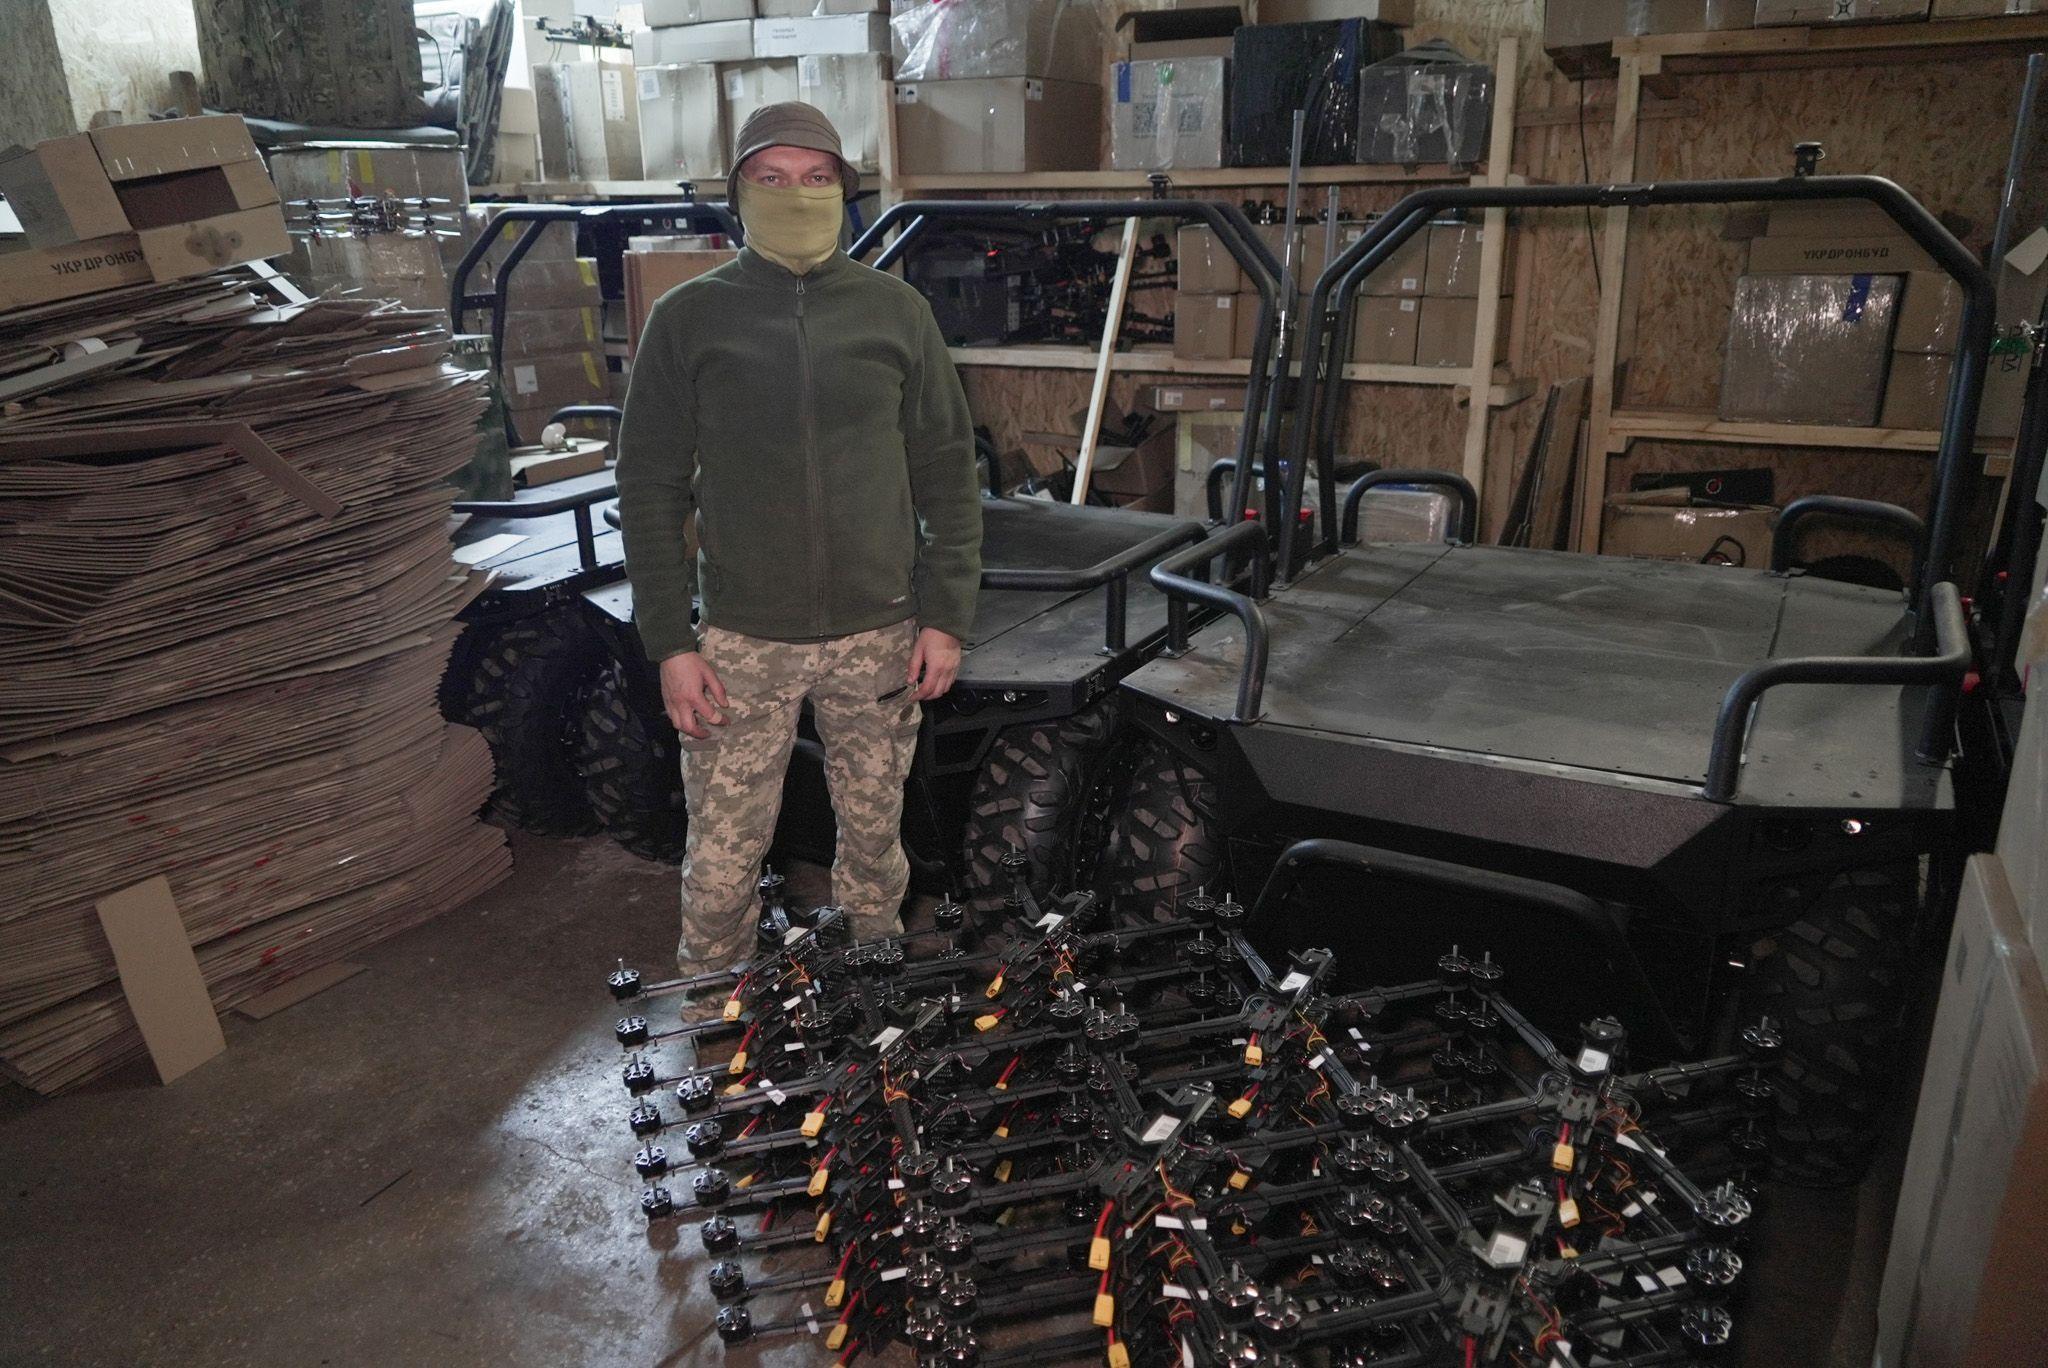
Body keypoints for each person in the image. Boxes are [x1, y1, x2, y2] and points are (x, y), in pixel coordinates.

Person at [615, 102, 982, 988]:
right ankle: (717, 1024)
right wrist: (671, 642)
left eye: (817, 178)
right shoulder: (688, 318)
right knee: (722, 866)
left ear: (845, 192)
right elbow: (650, 487)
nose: (796, 194)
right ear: (737, 192)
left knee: (875, 850)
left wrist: (946, 616)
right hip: (742, 642)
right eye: (771, 179)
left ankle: (872, 1013)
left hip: (881, 636)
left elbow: (946, 472)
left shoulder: (896, 312)